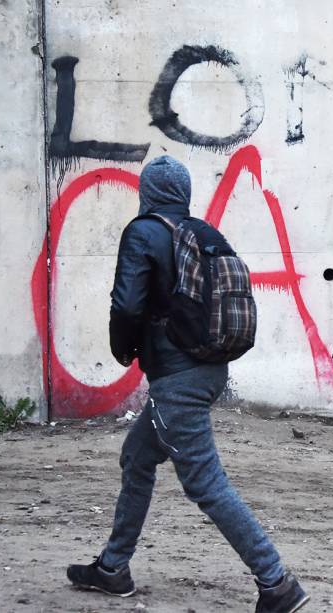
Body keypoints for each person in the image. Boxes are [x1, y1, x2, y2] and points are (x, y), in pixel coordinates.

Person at [65, 156, 308, 613]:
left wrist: (124, 348)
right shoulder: (203, 233)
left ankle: (277, 583)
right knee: (137, 456)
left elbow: (128, 303)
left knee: (206, 484)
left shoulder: (144, 232)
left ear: (148, 192)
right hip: (210, 370)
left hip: (177, 380)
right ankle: (113, 568)